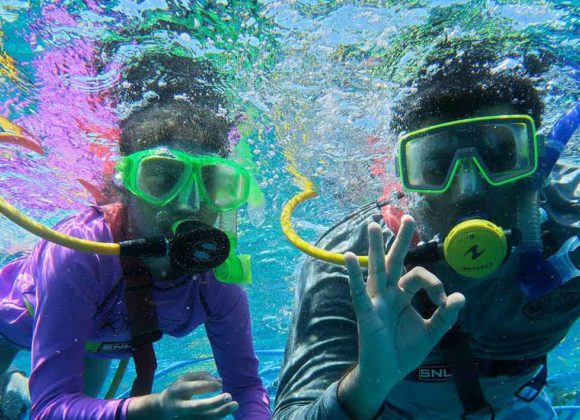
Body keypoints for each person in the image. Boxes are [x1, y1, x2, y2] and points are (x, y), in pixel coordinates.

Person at [274, 53, 579, 419]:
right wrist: (366, 382)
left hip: (518, 404)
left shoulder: (570, 221)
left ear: (537, 159)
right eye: (435, 165)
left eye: (500, 155)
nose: (468, 190)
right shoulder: (351, 261)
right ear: (404, 178)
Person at [0, 54, 271, 419]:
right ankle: (15, 384)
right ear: (126, 185)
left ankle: (20, 387)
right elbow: (52, 407)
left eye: (210, 183)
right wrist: (155, 406)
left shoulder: (216, 277)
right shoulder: (81, 252)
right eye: (162, 177)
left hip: (97, 346)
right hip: (11, 327)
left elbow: (246, 387)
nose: (189, 206)